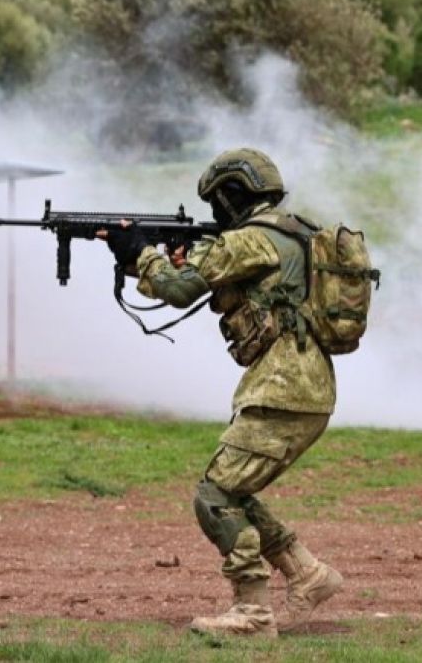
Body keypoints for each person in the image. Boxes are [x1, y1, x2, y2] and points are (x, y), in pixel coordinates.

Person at [103, 148, 342, 637]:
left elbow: (179, 288)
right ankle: (307, 574)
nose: (214, 215)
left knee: (214, 497)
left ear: (233, 196)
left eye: (217, 203)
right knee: (236, 489)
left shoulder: (249, 239)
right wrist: (150, 260)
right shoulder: (292, 231)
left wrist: (139, 251)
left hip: (284, 389)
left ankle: (253, 613)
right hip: (303, 386)